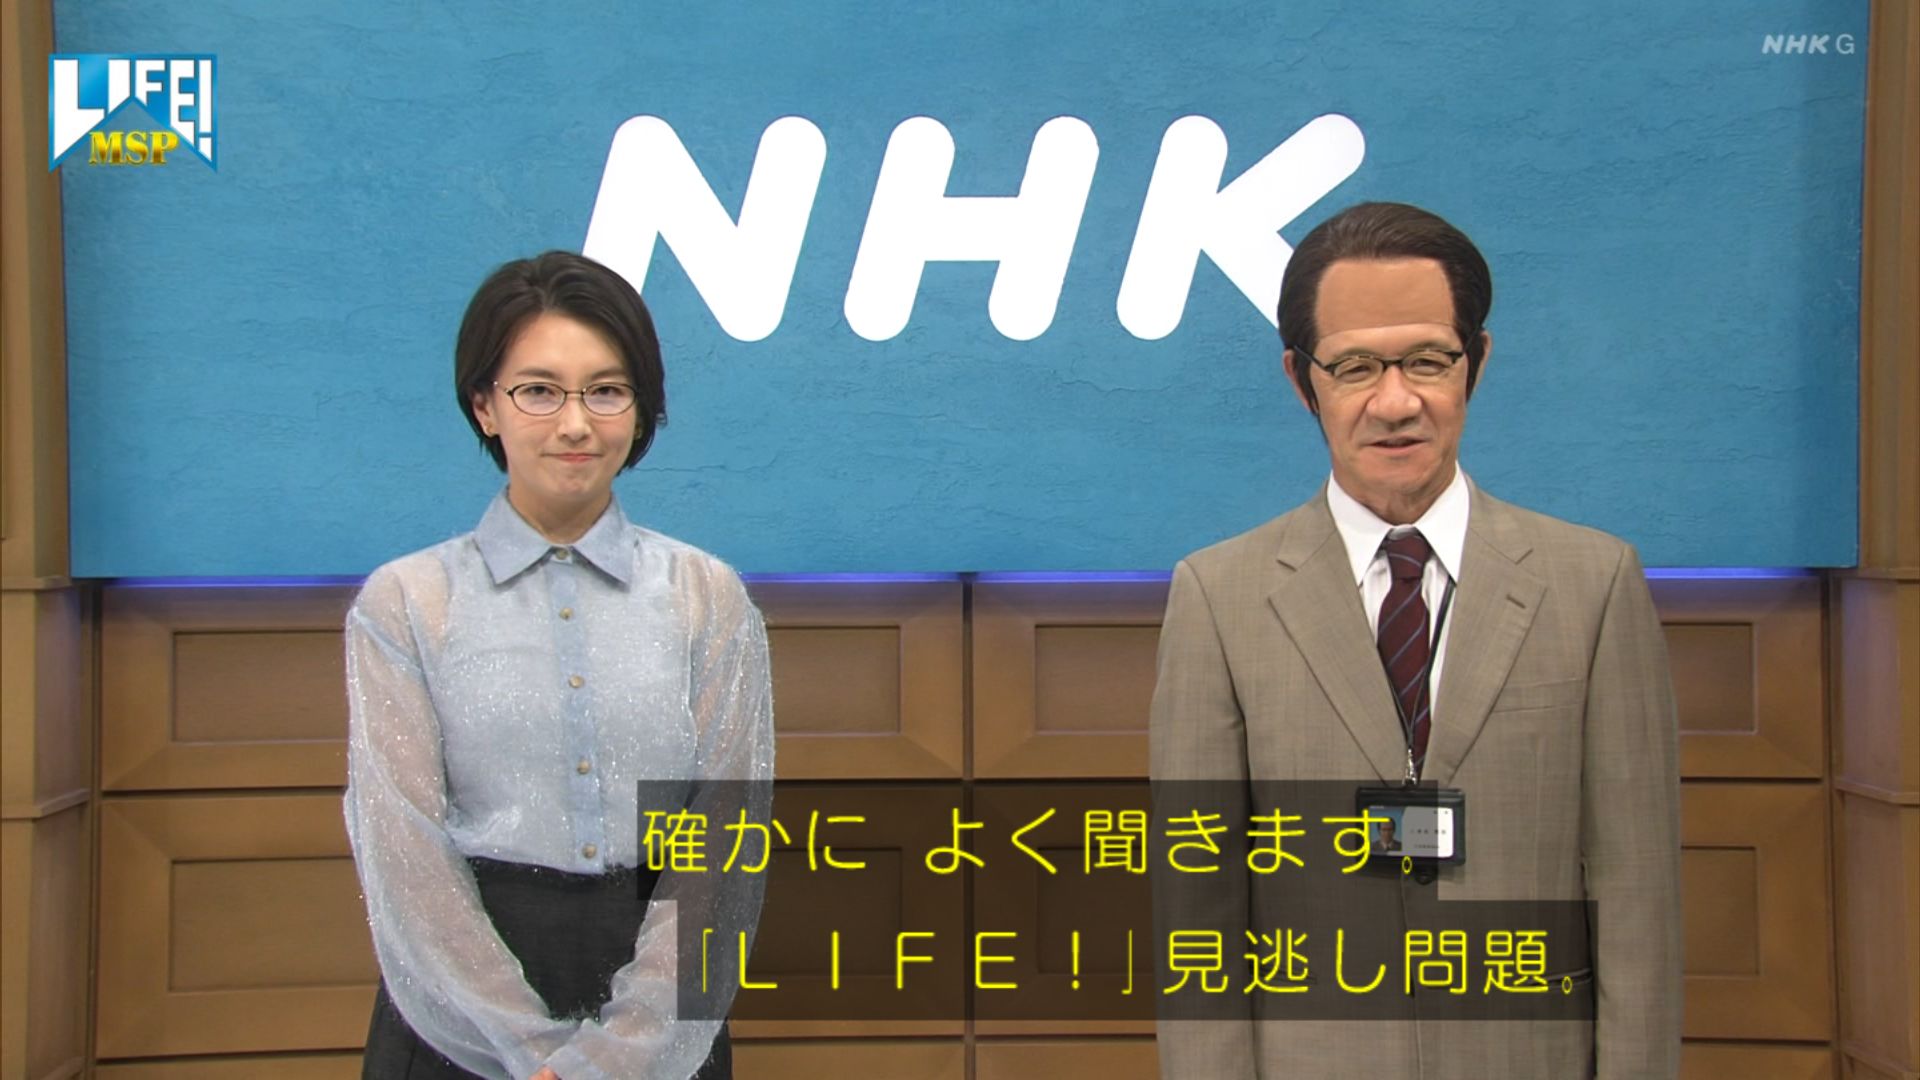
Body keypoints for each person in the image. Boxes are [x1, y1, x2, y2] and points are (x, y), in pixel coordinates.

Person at [1148, 202, 1680, 1078]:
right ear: (1301, 380)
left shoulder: (1594, 583)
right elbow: (1195, 907)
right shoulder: (1219, 596)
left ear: (1477, 364)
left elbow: (1638, 890)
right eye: (1355, 367)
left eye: (1429, 361)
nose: (1395, 402)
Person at [344, 251, 773, 1080]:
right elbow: (402, 849)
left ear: (640, 410)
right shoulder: (407, 601)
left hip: (660, 1014)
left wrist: (622, 1053)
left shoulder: (707, 595)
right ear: (484, 406)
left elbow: (725, 841)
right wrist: (533, 1052)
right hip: (460, 1007)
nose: (576, 423)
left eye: (606, 391)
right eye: (539, 391)